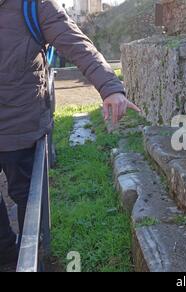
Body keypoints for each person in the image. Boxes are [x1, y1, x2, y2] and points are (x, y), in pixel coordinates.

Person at [0, 0, 140, 268]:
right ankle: (6, 251)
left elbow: (77, 45)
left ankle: (33, 255)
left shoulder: (34, 5)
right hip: (21, 123)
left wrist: (110, 87)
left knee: (27, 199)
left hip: (21, 128)